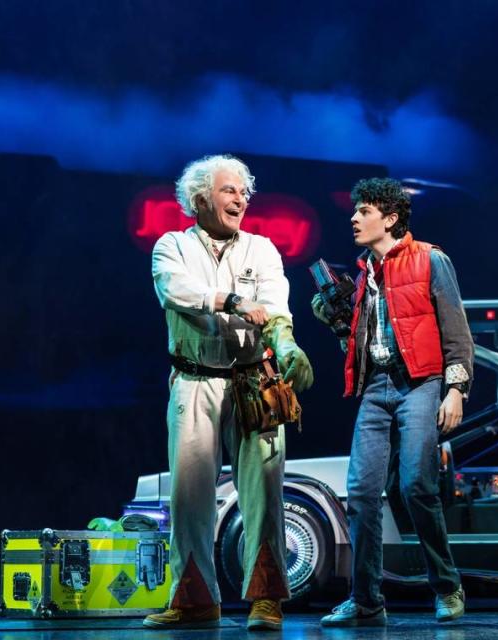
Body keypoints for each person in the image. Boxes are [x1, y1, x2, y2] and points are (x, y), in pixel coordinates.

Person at [143, 154, 313, 631]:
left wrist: (287, 344)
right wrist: (234, 301)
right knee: (189, 494)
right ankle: (196, 601)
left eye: (244, 192)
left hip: (252, 380)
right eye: (229, 190)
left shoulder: (261, 248)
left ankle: (266, 600)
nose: (240, 199)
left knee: (264, 491)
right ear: (200, 198)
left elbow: (276, 305)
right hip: (194, 380)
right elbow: (177, 290)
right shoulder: (171, 245)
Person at [313, 177, 473, 627]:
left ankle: (447, 586)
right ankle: (366, 600)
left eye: (364, 210)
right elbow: (360, 342)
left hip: (421, 383)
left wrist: (456, 390)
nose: (354, 217)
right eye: (355, 210)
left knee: (415, 487)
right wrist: (337, 323)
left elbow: (457, 333)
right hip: (377, 388)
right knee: (362, 493)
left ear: (390, 216)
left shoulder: (431, 259)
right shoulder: (364, 273)